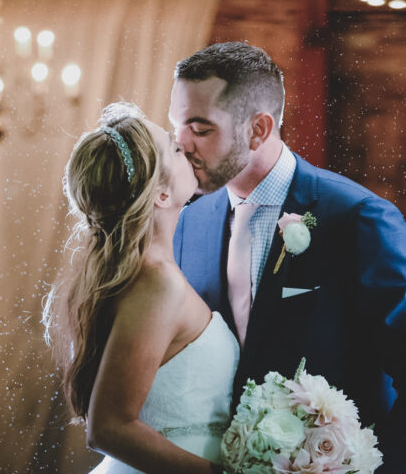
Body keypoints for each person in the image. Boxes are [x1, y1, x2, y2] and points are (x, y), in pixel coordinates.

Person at [169, 41, 406, 472]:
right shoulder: (190, 223)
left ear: (258, 129)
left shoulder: (357, 218)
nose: (181, 145)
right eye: (177, 126)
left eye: (201, 129)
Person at [42, 102, 239, 474]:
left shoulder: (148, 275)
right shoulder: (156, 283)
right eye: (176, 149)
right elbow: (107, 428)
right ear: (160, 195)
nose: (187, 147)